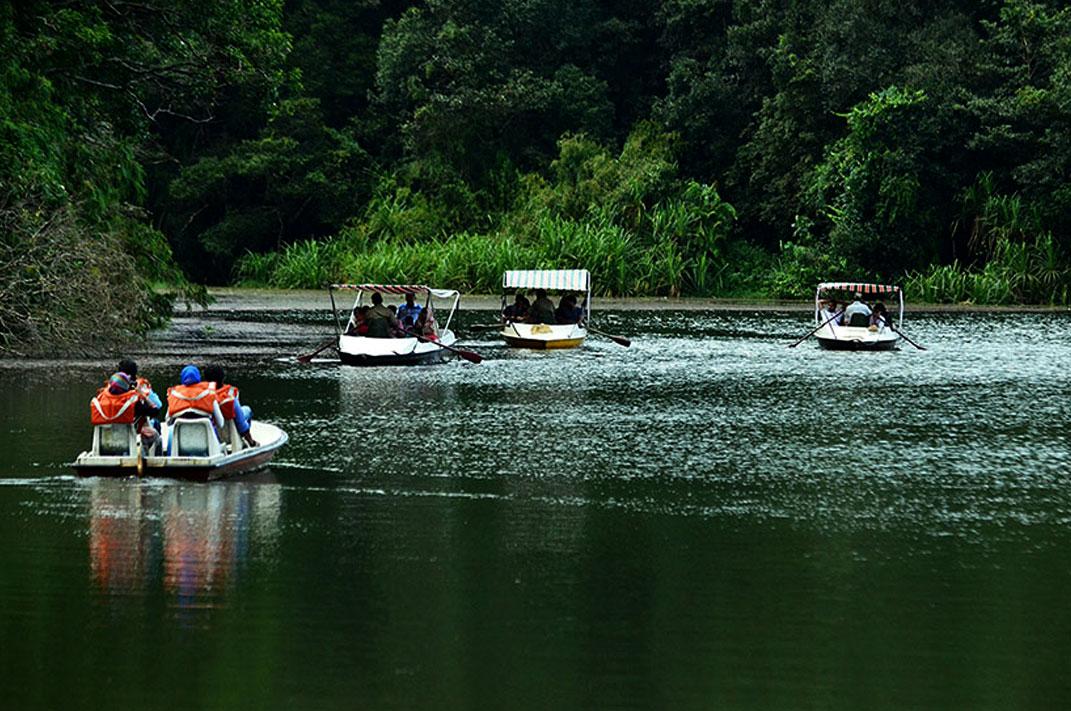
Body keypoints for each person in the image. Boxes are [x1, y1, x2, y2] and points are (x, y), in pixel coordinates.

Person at [203, 364, 258, 448]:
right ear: (222, 379)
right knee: (247, 410)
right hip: (229, 434)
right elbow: (241, 424)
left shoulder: (202, 397)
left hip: (211, 434)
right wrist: (251, 442)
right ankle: (246, 441)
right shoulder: (230, 395)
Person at [90, 372, 160, 431]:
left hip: (104, 440)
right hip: (127, 439)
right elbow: (155, 411)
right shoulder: (132, 403)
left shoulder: (99, 401)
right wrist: (143, 396)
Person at [166, 365, 224, 432]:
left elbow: (168, 422)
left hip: (181, 440)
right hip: (206, 440)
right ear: (198, 378)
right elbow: (220, 423)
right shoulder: (209, 395)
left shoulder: (174, 396)